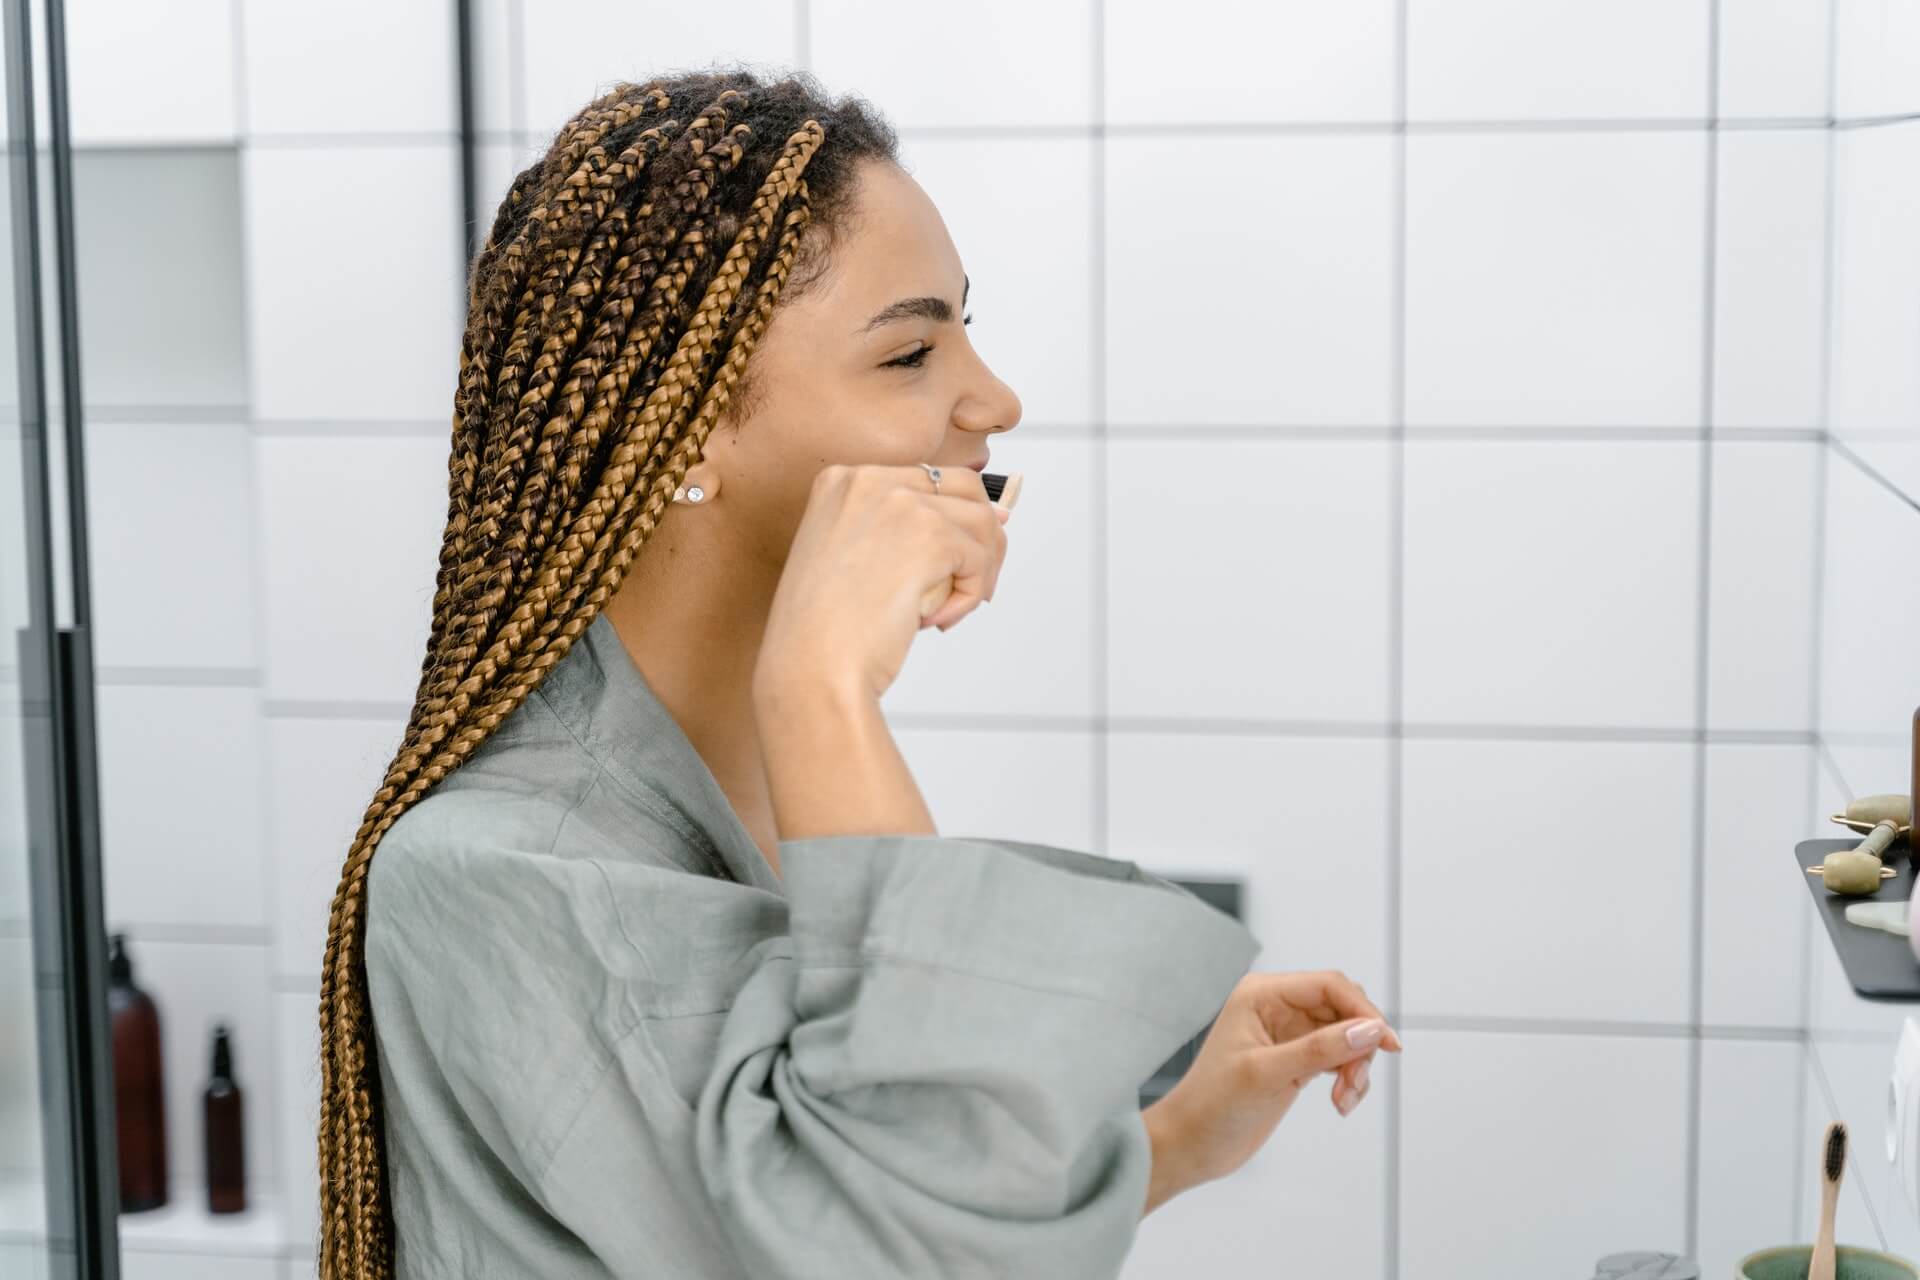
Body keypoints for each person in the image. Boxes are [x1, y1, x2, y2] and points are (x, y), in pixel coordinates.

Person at [315, 66, 1400, 1280]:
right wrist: (823, 680)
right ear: (685, 426)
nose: (994, 398)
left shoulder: (740, 785)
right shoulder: (492, 876)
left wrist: (1174, 1141)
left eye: (967, 334)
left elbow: (818, 1208)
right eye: (910, 354)